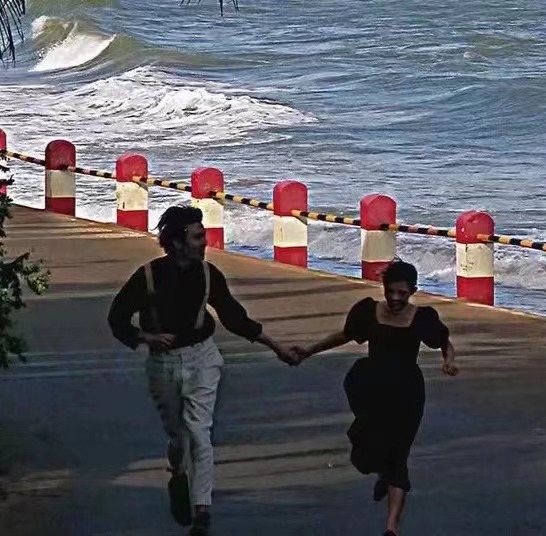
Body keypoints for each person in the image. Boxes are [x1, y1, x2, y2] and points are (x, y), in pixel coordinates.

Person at [107, 205, 296, 536]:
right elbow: (117, 318)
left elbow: (234, 317)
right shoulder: (148, 276)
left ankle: (202, 512)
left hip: (203, 357)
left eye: (204, 235)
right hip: (163, 363)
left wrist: (276, 346)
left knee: (199, 432)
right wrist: (145, 337)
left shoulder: (209, 274)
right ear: (177, 243)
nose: (205, 242)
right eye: (197, 237)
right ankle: (178, 473)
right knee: (178, 435)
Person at [292, 260, 458, 536]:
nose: (395, 298)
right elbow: (344, 336)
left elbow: (443, 341)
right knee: (365, 448)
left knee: (399, 455)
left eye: (402, 293)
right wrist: (309, 351)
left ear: (413, 291)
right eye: (390, 291)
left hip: (407, 393)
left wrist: (449, 361)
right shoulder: (368, 311)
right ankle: (382, 470)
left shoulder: (422, 318)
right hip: (372, 388)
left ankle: (391, 528)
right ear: (383, 288)